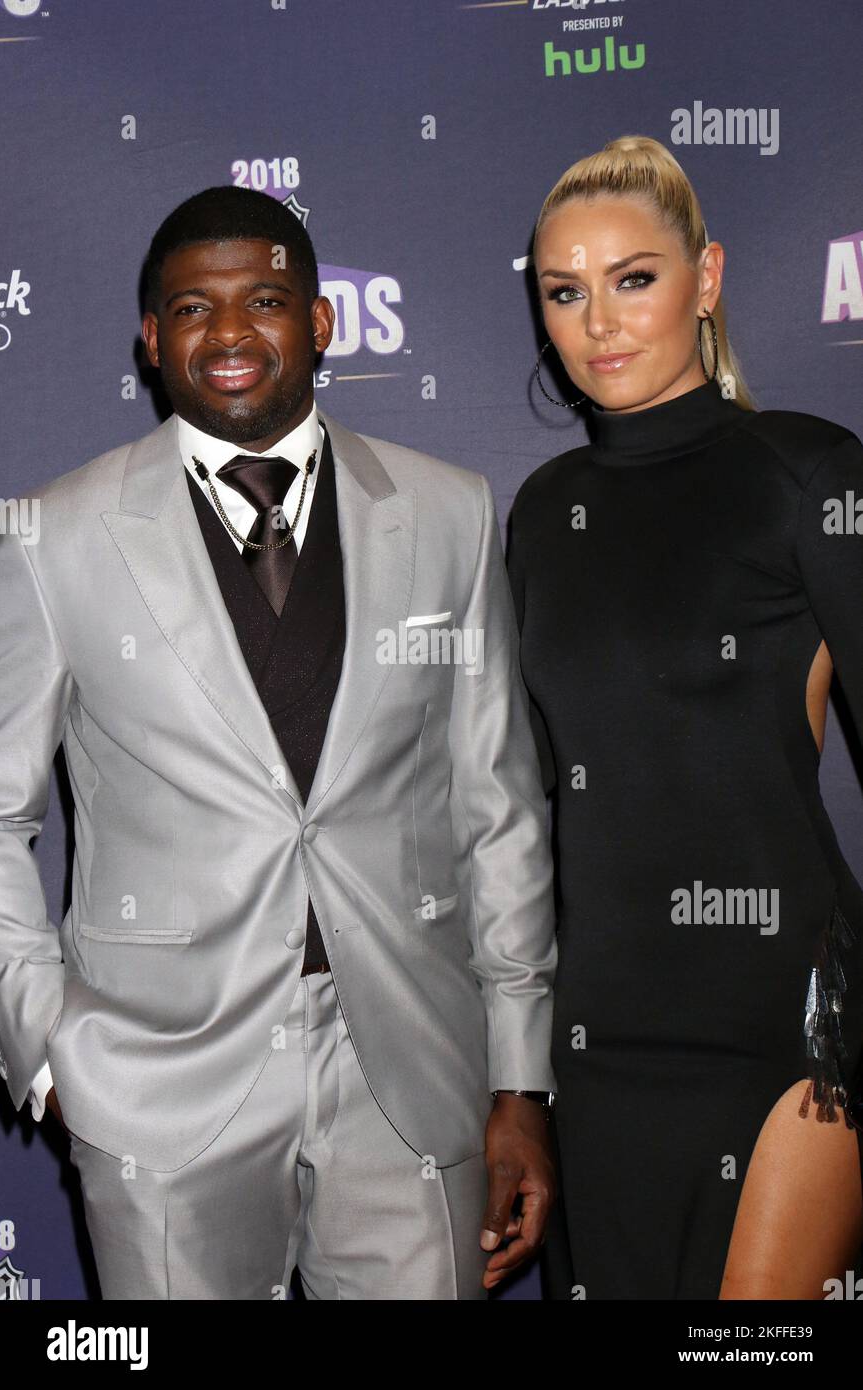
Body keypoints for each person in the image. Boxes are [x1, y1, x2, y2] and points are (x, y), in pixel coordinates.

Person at [0, 185, 558, 1300]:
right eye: (191, 308)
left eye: (263, 298)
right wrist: (51, 1043)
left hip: (409, 1063)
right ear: (151, 340)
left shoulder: (447, 513)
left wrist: (518, 1077)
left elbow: (494, 801)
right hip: (158, 1075)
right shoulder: (53, 532)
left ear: (321, 319)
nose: (229, 333)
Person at [507, 134, 863, 1300]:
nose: (598, 320)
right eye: (565, 291)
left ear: (703, 280)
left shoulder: (807, 474)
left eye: (633, 278)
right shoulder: (542, 512)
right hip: (599, 1036)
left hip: (781, 1025)